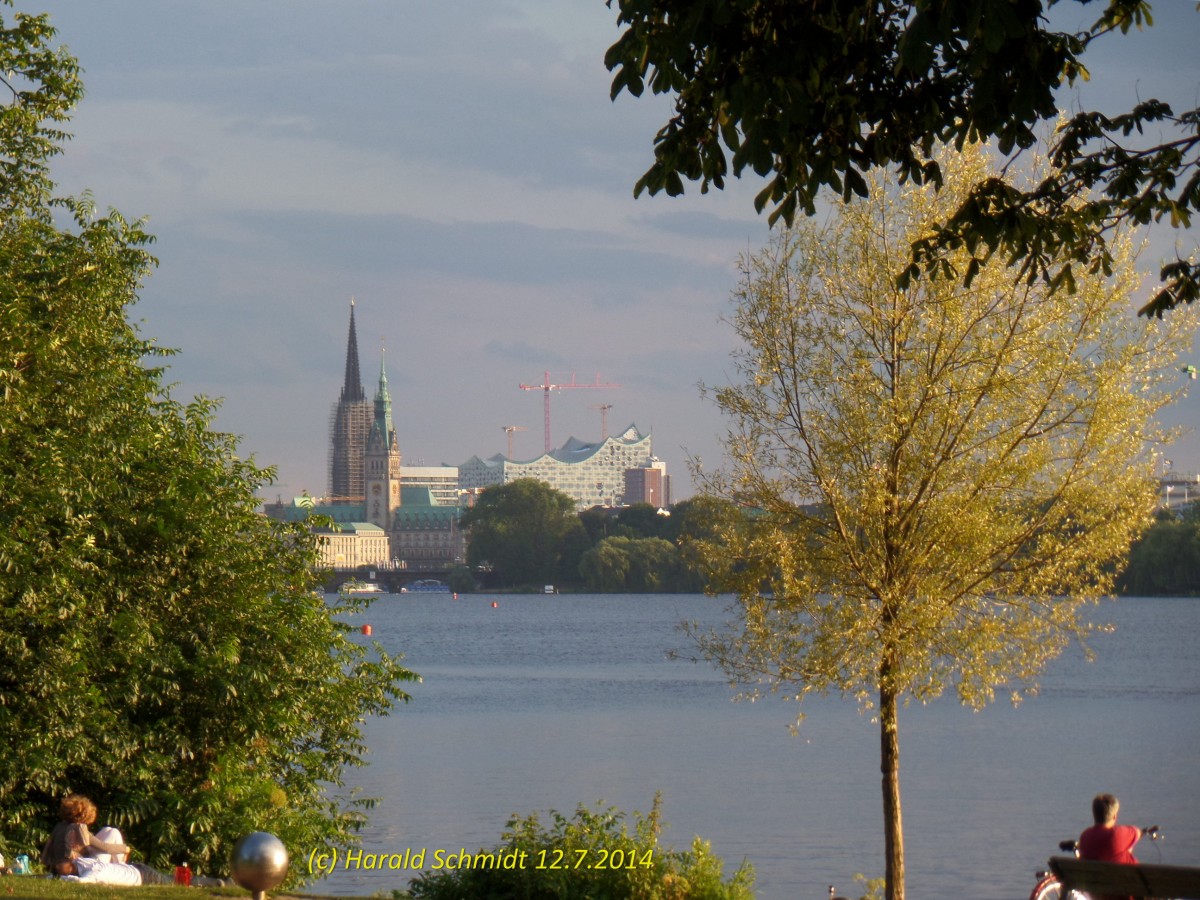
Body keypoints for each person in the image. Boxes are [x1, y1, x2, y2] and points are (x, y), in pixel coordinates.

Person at [1078, 793, 1143, 865]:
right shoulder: (1116, 834)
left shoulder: (1085, 836)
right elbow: (1137, 832)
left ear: (1094, 814)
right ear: (1114, 816)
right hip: (1126, 875)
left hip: (1097, 875)